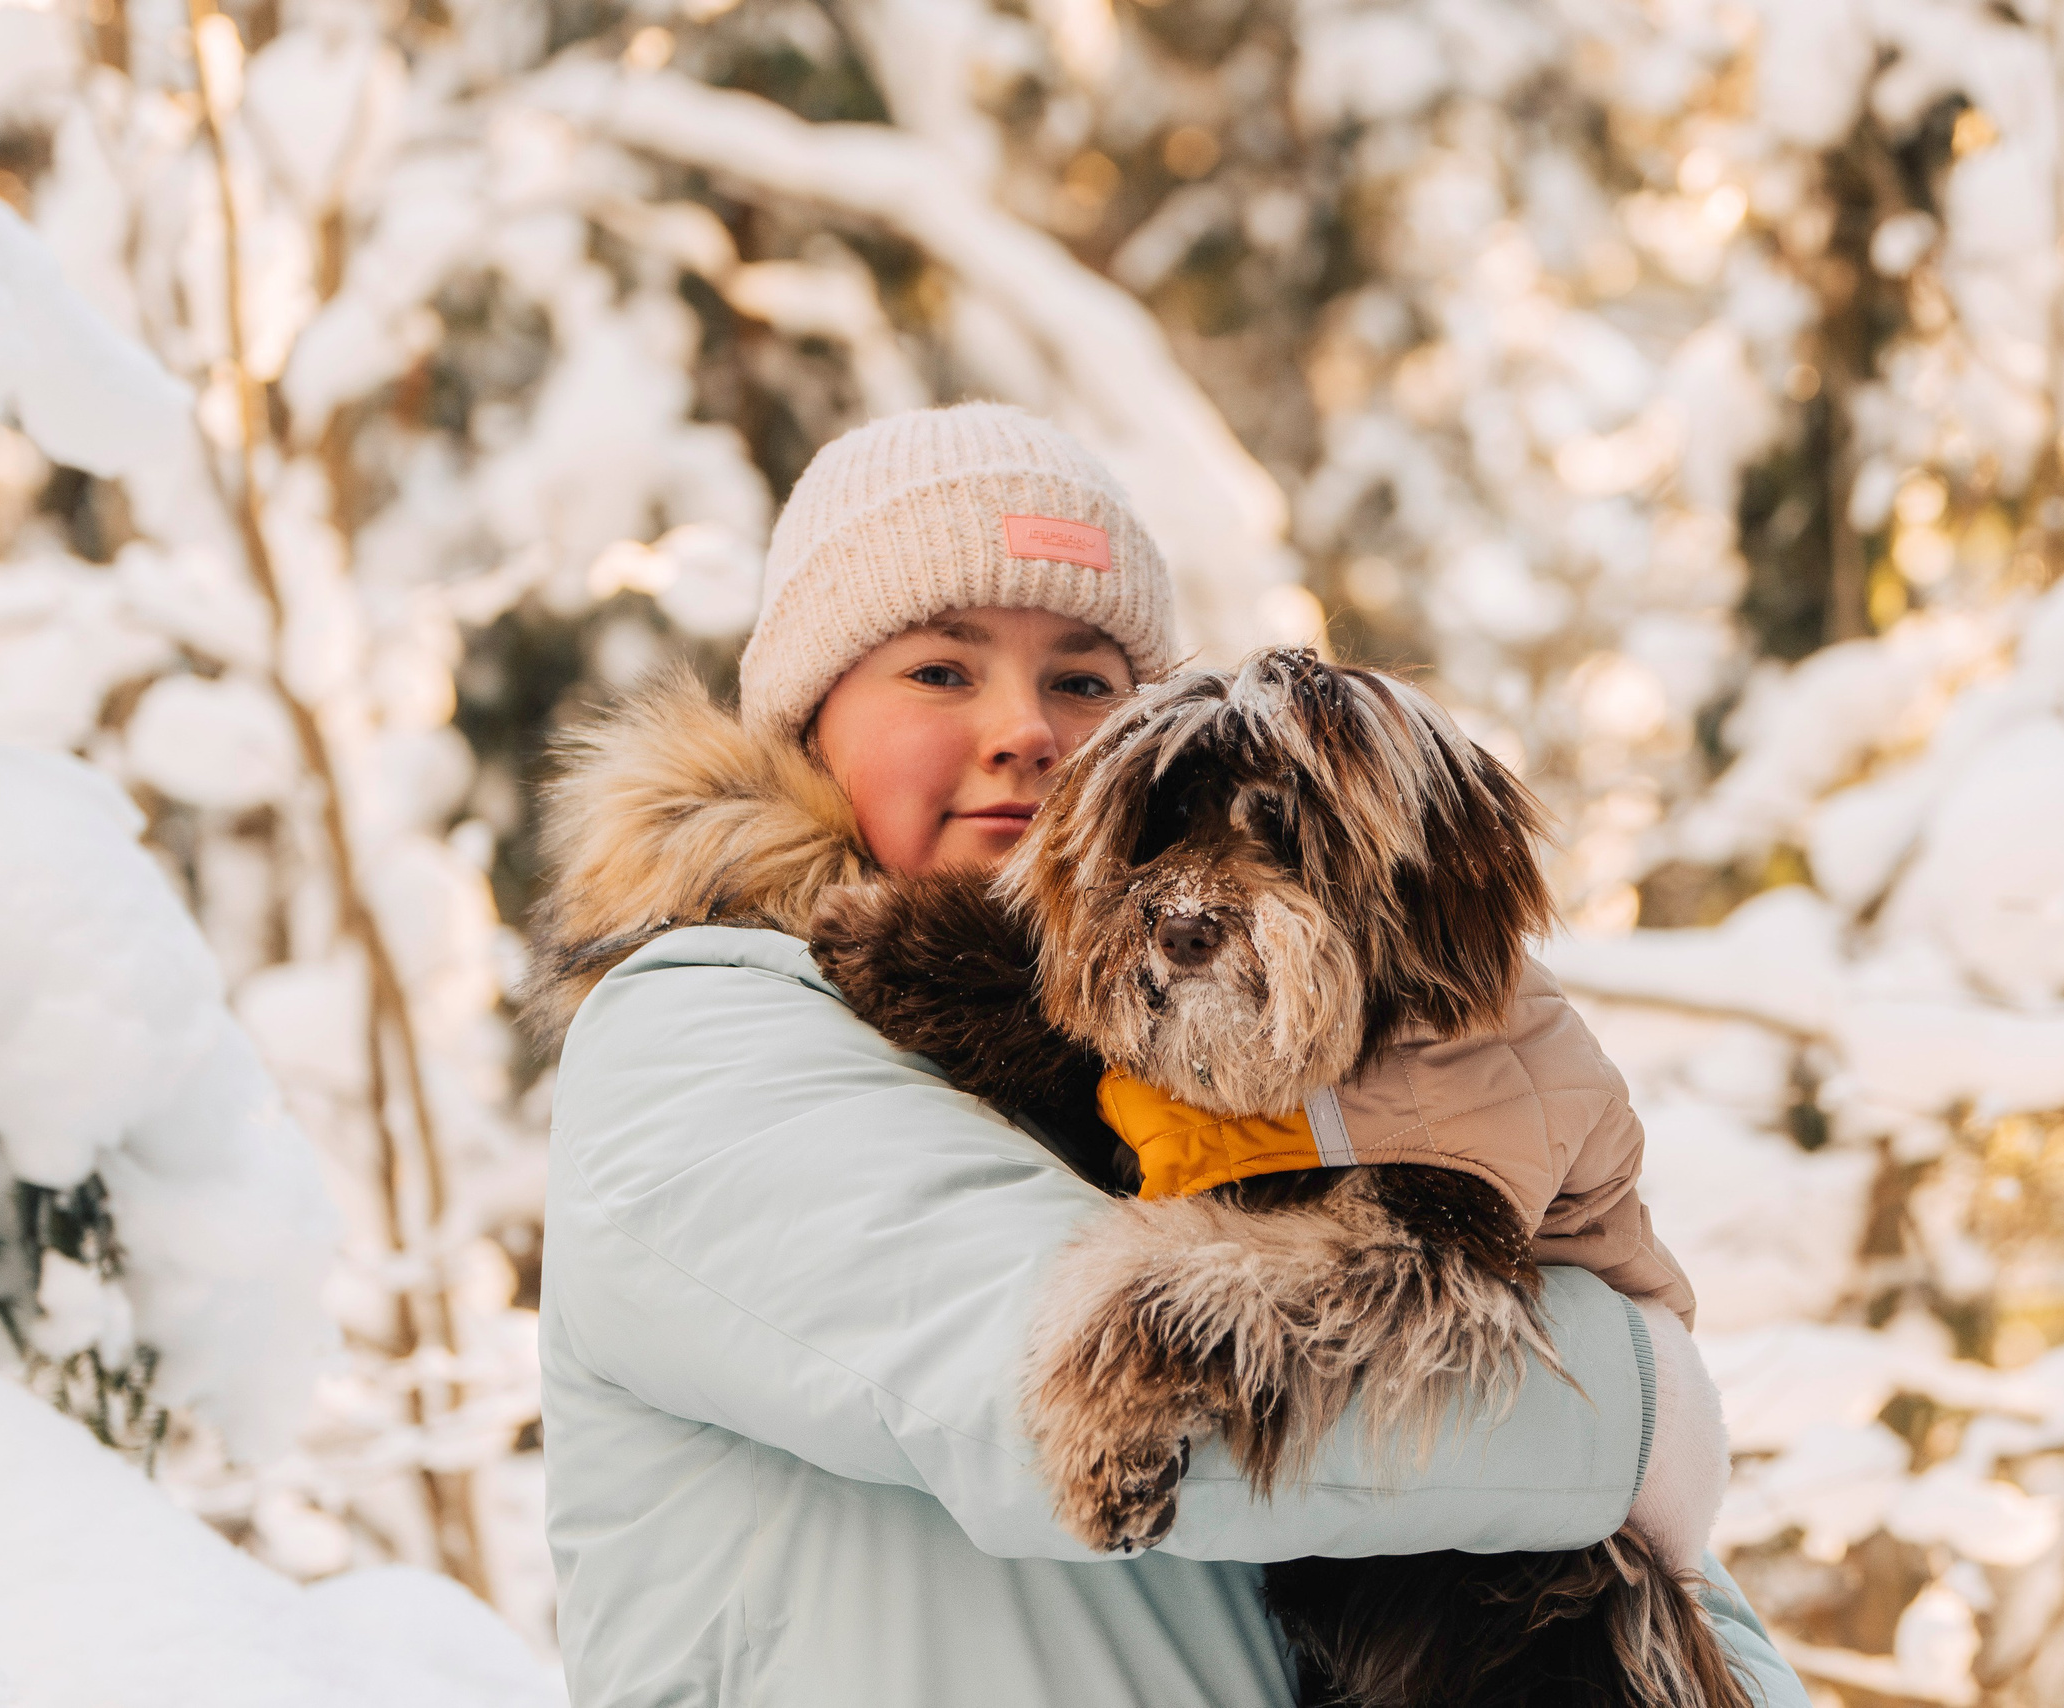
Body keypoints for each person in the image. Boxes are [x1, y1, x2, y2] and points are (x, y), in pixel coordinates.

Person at [527, 403, 1810, 1706]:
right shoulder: (696, 1033)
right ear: (806, 725)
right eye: (941, 671)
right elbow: (1054, 1390)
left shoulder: (1217, 1062)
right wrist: (1645, 1401)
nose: (1026, 729)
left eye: (1084, 681)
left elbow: (1671, 1609)